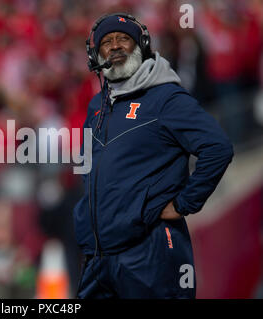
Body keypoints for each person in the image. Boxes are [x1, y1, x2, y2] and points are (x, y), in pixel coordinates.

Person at [74, 13, 234, 299]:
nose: (114, 46)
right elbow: (87, 167)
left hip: (150, 254)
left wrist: (184, 202)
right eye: (106, 42)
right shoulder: (96, 105)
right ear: (95, 53)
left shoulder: (165, 98)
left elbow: (217, 148)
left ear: (142, 47)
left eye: (123, 39)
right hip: (100, 257)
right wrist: (87, 221)